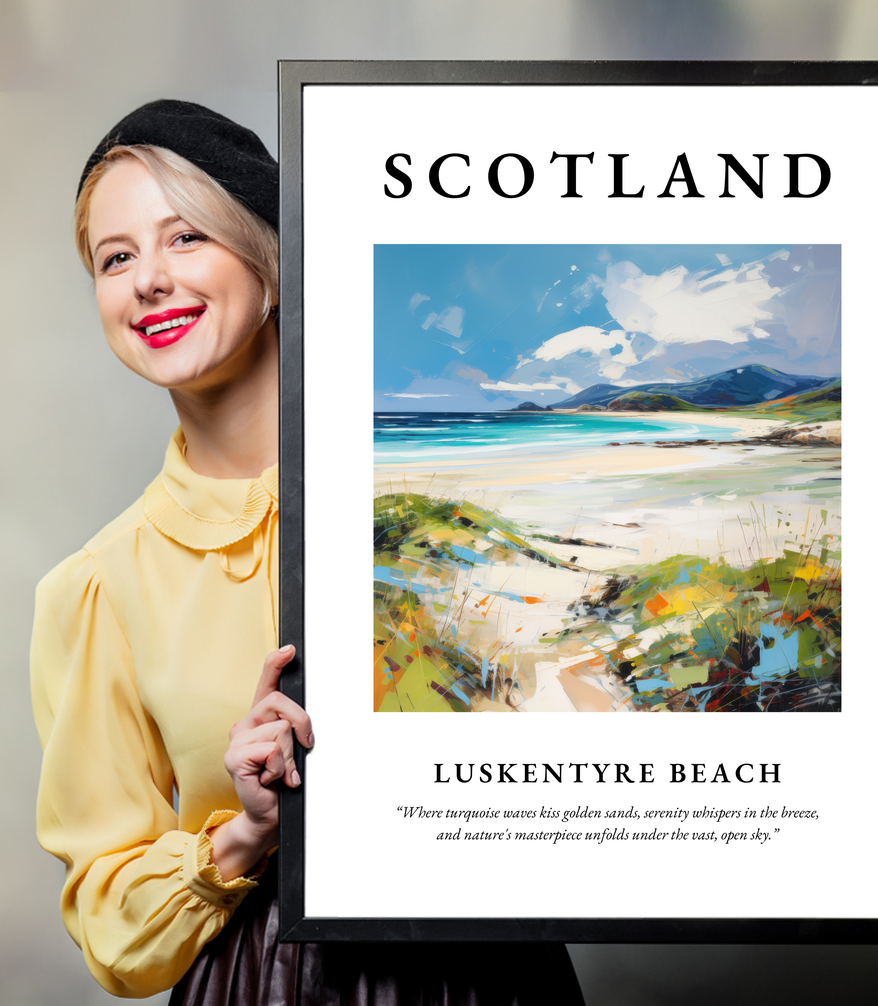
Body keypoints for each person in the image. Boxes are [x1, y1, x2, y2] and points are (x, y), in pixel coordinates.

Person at [30, 100, 585, 1004]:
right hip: (263, 981)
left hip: (493, 972)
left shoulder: (451, 505)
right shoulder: (97, 587)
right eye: (116, 257)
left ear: (273, 264)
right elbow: (110, 924)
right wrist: (245, 832)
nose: (148, 281)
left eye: (186, 239)